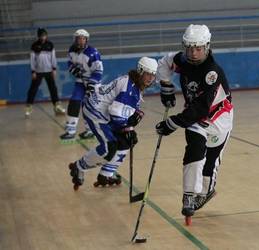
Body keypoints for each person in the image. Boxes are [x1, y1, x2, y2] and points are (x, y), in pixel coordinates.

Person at [155, 24, 233, 218]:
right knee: (195, 147)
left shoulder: (211, 72)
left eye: (198, 48)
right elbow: (164, 63)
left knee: (210, 164)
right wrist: (166, 87)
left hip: (218, 118)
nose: (193, 53)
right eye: (189, 48)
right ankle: (189, 195)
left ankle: (206, 192)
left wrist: (173, 123)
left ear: (206, 47)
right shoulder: (182, 60)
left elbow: (202, 108)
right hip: (194, 117)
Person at [68, 57, 158, 190]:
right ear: (140, 71)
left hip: (105, 112)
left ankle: (106, 174)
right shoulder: (130, 89)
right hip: (95, 112)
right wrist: (128, 128)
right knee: (109, 148)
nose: (151, 78)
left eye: (153, 74)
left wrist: (129, 128)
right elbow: (116, 114)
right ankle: (78, 167)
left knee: (126, 141)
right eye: (148, 74)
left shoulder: (133, 82)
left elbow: (121, 113)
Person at [60, 29, 103, 140]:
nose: (80, 41)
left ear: (86, 40)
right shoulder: (72, 50)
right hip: (80, 82)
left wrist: (91, 85)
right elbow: (70, 63)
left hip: (93, 83)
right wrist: (74, 70)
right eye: (78, 38)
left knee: (88, 107)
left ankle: (91, 131)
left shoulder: (93, 53)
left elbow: (98, 71)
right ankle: (70, 131)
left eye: (82, 38)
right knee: (74, 102)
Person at [25, 28, 65, 117]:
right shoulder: (34, 46)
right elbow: (32, 59)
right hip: (38, 72)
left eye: (44, 35)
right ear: (39, 36)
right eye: (41, 36)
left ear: (46, 36)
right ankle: (29, 106)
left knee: (53, 89)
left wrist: (54, 69)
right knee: (33, 89)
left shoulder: (50, 45)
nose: (43, 37)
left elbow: (53, 57)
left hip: (48, 71)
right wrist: (33, 71)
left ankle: (57, 106)